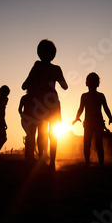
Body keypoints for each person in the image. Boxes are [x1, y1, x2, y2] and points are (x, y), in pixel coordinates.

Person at [22, 39, 68, 170]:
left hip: (40, 105)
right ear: (53, 54)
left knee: (42, 134)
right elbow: (65, 87)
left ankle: (42, 160)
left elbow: (24, 85)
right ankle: (52, 162)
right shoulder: (56, 69)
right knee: (52, 135)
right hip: (52, 104)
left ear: (39, 52)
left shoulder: (37, 66)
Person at [73, 72, 112, 168]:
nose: (92, 83)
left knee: (98, 143)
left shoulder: (100, 96)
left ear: (97, 84)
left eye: (94, 81)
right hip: (89, 122)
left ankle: (100, 164)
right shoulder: (84, 96)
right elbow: (80, 108)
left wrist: (111, 118)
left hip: (98, 122)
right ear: (87, 83)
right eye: (90, 81)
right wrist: (77, 117)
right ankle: (88, 162)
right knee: (87, 143)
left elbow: (106, 108)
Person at [19, 88, 38, 162]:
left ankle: (29, 155)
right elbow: (20, 109)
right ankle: (29, 155)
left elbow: (20, 109)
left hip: (29, 120)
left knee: (31, 136)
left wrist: (23, 115)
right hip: (29, 120)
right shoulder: (33, 98)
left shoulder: (25, 98)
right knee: (31, 136)